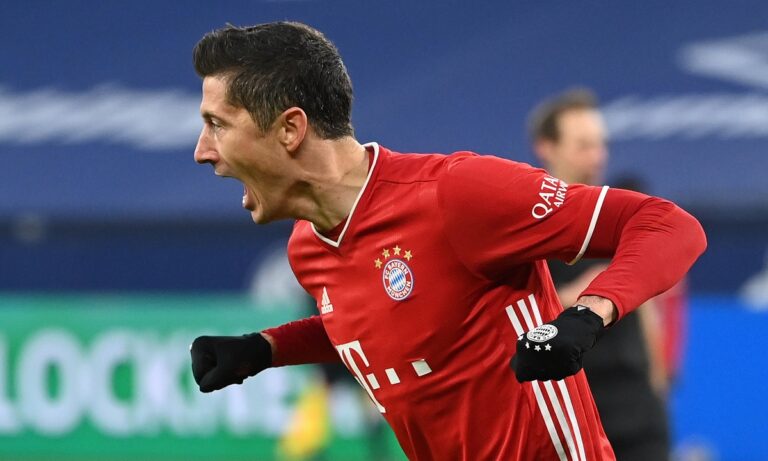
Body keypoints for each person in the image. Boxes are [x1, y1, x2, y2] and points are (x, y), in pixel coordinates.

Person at [188, 22, 706, 460]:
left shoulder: (457, 194)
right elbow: (384, 319)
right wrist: (266, 348)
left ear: (290, 129)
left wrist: (587, 315)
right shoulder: (308, 246)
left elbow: (668, 225)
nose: (202, 150)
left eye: (217, 124)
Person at [528, 89, 687, 460]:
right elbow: (518, 319)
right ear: (546, 147)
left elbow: (646, 314)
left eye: (601, 145)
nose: (597, 156)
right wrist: (583, 297)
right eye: (583, 145)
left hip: (639, 414)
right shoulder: (528, 229)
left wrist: (657, 389)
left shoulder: (621, 216)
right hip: (573, 414)